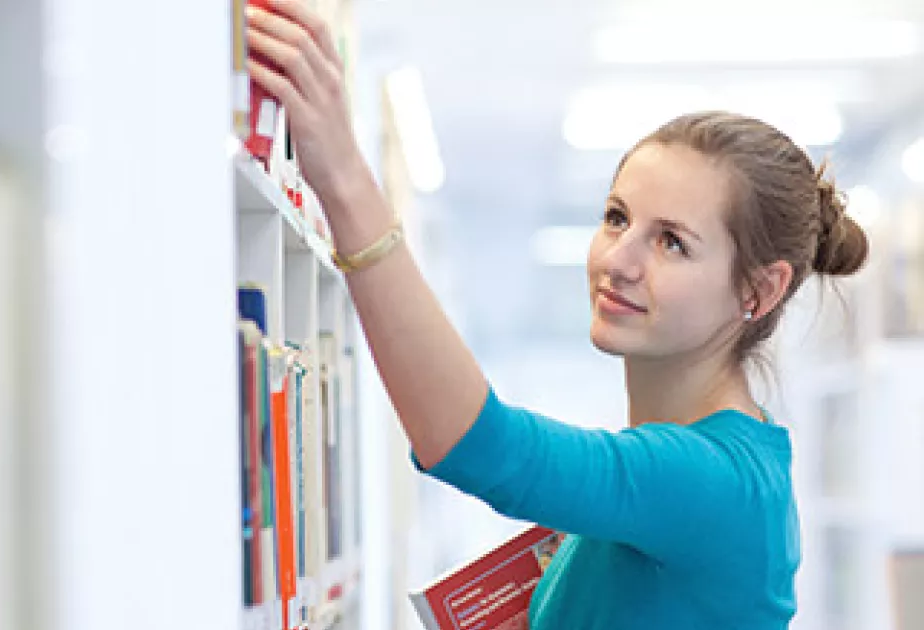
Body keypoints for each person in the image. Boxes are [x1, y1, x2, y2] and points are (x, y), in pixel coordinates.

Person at [244, 2, 870, 628]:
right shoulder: (691, 475)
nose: (617, 259)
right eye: (617, 218)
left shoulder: (715, 482)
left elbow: (485, 447)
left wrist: (345, 180)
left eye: (671, 241)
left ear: (758, 290)